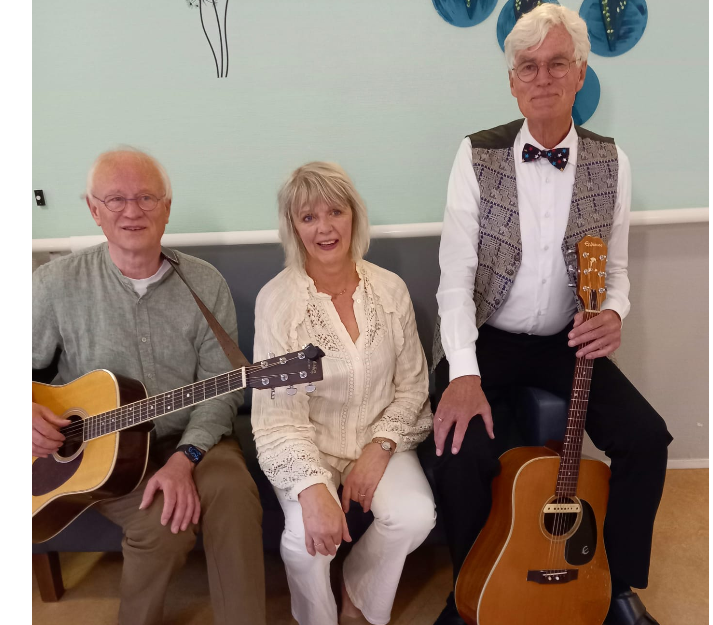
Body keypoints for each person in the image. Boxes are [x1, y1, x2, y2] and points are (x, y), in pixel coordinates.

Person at [427, 5, 673, 625]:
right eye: (528, 67)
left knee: (647, 439)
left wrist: (614, 314)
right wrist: (462, 372)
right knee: (458, 450)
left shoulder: (609, 159)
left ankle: (613, 582)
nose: (543, 77)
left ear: (581, 74)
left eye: (557, 63)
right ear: (512, 80)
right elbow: (454, 276)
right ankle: (469, 588)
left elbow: (615, 273)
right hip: (485, 340)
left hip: (567, 342)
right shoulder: (475, 153)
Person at [31, 147, 266, 625]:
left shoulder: (205, 282)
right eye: (115, 199)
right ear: (94, 210)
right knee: (162, 530)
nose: (132, 211)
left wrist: (187, 457)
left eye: (146, 198)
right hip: (99, 454)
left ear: (167, 207)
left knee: (233, 491)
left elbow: (223, 388)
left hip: (194, 436)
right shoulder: (55, 283)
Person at [252, 162, 436, 625]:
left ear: (354, 215)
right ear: (293, 228)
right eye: (308, 217)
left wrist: (380, 448)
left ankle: (359, 595)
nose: (324, 227)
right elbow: (277, 416)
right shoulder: (276, 302)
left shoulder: (390, 290)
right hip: (307, 446)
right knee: (305, 541)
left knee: (415, 516)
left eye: (335, 211)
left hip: (380, 436)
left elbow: (413, 384)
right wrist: (313, 490)